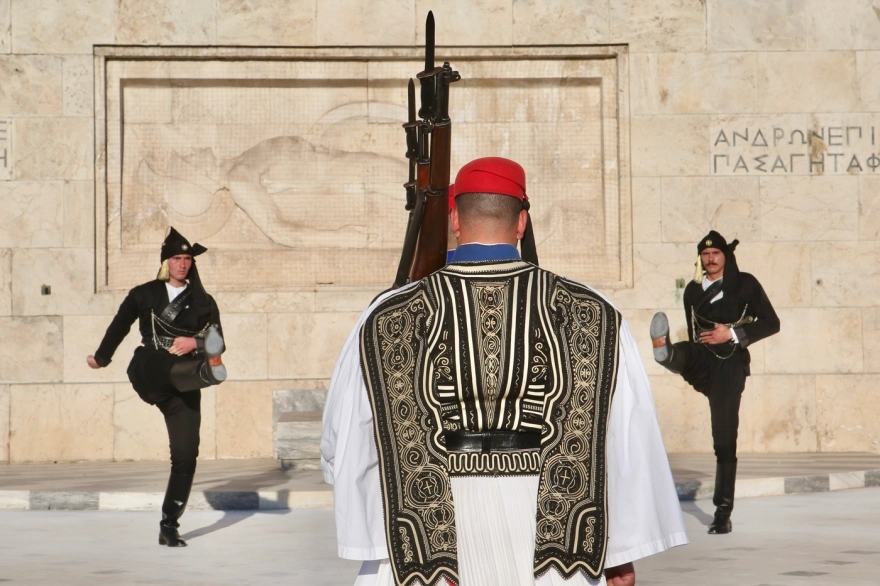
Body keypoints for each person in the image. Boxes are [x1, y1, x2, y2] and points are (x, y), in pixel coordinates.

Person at [322, 157, 687, 586]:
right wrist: (622, 554)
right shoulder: (593, 312)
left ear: (455, 219)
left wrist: (376, 529)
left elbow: (345, 441)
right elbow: (628, 441)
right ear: (522, 224)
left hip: (429, 549)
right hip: (555, 545)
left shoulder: (385, 317)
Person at [86, 227, 227, 547]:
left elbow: (220, 341)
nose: (182, 264)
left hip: (184, 381)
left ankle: (169, 524)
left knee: (186, 455)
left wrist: (197, 341)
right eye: (177, 258)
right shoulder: (144, 293)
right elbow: (119, 325)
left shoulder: (204, 301)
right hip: (149, 367)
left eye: (187, 259)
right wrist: (101, 358)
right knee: (168, 364)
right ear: (166, 261)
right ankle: (206, 372)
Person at [650, 230, 780, 535]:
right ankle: (665, 353)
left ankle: (723, 512)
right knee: (685, 350)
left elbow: (772, 323)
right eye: (705, 255)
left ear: (726, 256)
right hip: (703, 359)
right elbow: (696, 331)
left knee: (723, 439)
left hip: (730, 364)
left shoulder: (745, 283)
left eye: (716, 254)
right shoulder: (692, 291)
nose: (710, 259)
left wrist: (732, 335)